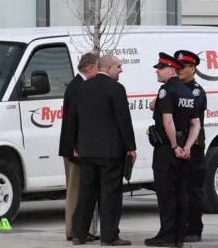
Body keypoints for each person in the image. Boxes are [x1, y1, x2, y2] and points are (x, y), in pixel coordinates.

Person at [68, 54, 137, 246]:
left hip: (86, 150)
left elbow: (72, 118)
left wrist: (75, 145)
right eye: (119, 67)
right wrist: (131, 147)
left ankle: (79, 234)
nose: (121, 70)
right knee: (110, 195)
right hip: (110, 151)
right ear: (108, 68)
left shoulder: (81, 88)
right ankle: (109, 236)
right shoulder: (116, 89)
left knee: (86, 193)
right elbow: (123, 120)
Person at [144, 52, 201, 248]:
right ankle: (178, 236)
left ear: (171, 70)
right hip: (183, 150)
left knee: (166, 194)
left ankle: (167, 235)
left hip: (167, 151)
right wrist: (187, 147)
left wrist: (175, 147)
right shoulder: (187, 92)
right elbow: (196, 125)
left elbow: (167, 121)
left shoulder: (166, 91)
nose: (157, 72)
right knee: (181, 194)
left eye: (160, 68)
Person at [59, 52, 100, 243]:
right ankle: (74, 229)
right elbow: (72, 120)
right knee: (75, 190)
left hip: (76, 146)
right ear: (90, 68)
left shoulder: (78, 85)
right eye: (97, 68)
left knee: (79, 189)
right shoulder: (78, 87)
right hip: (74, 149)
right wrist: (76, 146)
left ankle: (79, 228)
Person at [174, 50, 207, 243]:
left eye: (183, 67)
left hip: (193, 145)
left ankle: (194, 228)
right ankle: (182, 225)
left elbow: (188, 113)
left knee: (192, 189)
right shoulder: (176, 89)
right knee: (180, 187)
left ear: (192, 69)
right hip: (179, 144)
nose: (179, 70)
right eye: (177, 67)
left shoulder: (195, 91)